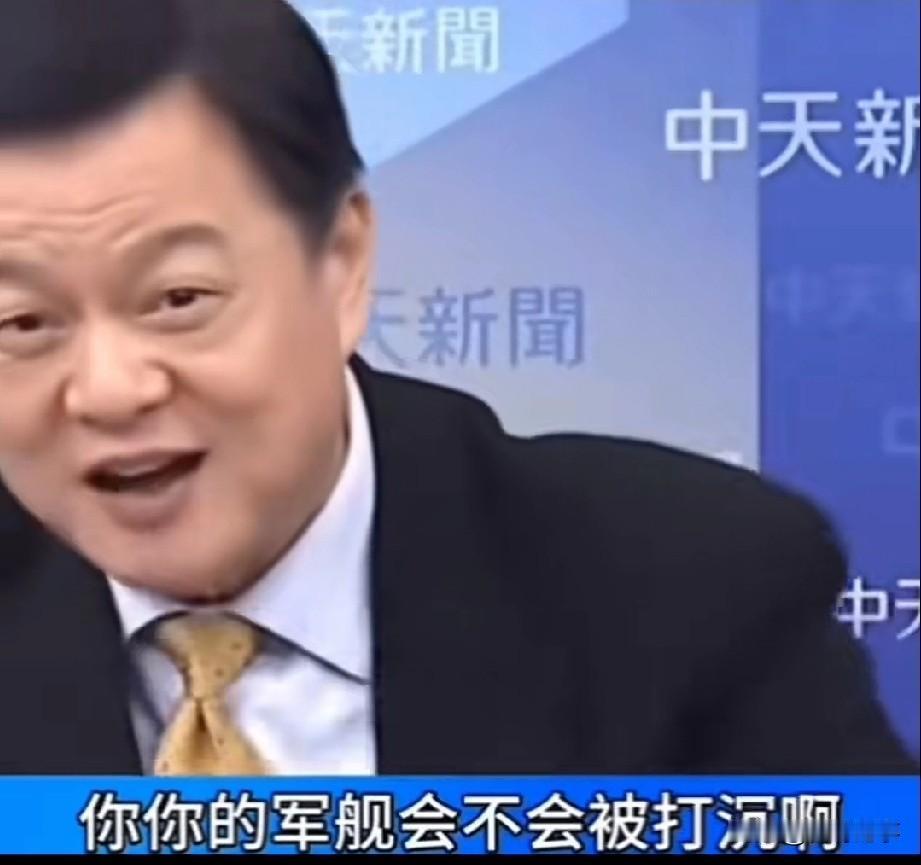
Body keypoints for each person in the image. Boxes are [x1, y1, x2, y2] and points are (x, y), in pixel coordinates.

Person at [0, 0, 914, 777]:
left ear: (341, 264)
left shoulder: (695, 591)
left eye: (178, 299)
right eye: (23, 322)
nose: (109, 391)